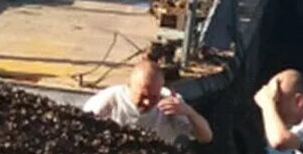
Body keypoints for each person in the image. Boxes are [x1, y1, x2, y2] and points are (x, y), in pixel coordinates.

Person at [84, 58, 213, 145]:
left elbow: (206, 137)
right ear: (129, 86)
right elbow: (82, 126)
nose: (147, 102)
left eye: (153, 97)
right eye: (142, 96)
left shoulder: (170, 103)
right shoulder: (112, 99)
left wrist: (189, 112)